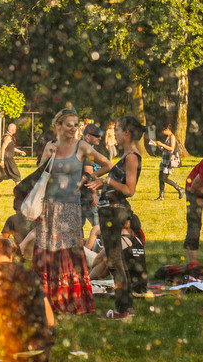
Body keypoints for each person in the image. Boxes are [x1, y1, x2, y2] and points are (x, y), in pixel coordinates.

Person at [33, 107, 113, 317]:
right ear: (57, 125)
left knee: (68, 252)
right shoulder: (50, 146)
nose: (73, 129)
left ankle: (70, 298)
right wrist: (46, 158)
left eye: (75, 125)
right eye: (68, 125)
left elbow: (107, 164)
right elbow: (40, 174)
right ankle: (47, 299)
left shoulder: (82, 146)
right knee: (49, 251)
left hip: (70, 206)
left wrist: (91, 180)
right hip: (48, 207)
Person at [91, 115, 140, 320]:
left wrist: (107, 181)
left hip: (115, 211)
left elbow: (130, 190)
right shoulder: (127, 154)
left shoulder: (131, 157)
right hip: (111, 210)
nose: (115, 133)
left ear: (127, 133)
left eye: (118, 130)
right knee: (116, 260)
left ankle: (121, 310)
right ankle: (126, 306)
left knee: (114, 261)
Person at [0, 122, 26, 194]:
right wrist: (1, 160)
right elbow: (3, 148)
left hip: (5, 160)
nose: (16, 130)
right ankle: (21, 193)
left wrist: (20, 151)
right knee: (17, 175)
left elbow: (11, 148)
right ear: (12, 129)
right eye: (15, 129)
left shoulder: (7, 136)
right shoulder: (8, 137)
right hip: (8, 161)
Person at [79, 123, 105, 225]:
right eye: (97, 136)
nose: (100, 138)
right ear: (88, 136)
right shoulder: (87, 151)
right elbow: (88, 173)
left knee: (78, 227)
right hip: (87, 195)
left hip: (80, 195)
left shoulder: (80, 148)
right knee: (98, 227)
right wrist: (94, 194)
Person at [151, 124, 183, 200]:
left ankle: (179, 188)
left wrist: (162, 144)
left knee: (164, 178)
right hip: (164, 158)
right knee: (160, 177)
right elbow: (164, 149)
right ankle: (161, 195)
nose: (163, 132)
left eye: (164, 130)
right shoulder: (168, 137)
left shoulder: (172, 137)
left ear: (168, 130)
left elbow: (171, 148)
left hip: (169, 159)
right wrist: (157, 145)